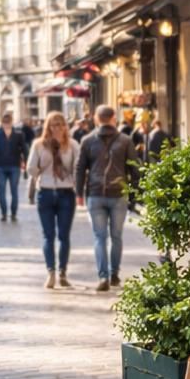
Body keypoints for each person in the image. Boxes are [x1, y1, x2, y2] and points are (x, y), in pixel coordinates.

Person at [75, 105, 137, 291]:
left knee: (99, 237)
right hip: (119, 194)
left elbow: (80, 169)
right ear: (113, 118)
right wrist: (134, 194)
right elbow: (135, 169)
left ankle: (103, 277)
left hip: (95, 194)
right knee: (116, 236)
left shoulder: (87, 140)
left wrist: (79, 193)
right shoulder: (126, 141)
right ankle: (114, 274)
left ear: (96, 119)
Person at [28, 111, 79, 289]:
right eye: (53, 124)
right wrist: (44, 163)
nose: (57, 128)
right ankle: (51, 272)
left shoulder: (72, 145)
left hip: (66, 193)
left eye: (60, 124)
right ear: (47, 127)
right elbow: (30, 169)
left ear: (65, 126)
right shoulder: (39, 145)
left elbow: (78, 168)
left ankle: (63, 273)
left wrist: (78, 186)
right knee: (48, 235)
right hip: (46, 193)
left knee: (64, 236)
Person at [0, 113, 29, 221]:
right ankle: (5, 213)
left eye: (8, 121)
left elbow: (24, 150)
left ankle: (12, 213)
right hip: (1, 166)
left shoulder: (18, 134)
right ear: (2, 122)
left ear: (11, 121)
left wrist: (26, 163)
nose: (6, 124)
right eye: (5, 122)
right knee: (3, 191)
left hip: (14, 166)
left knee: (12, 191)